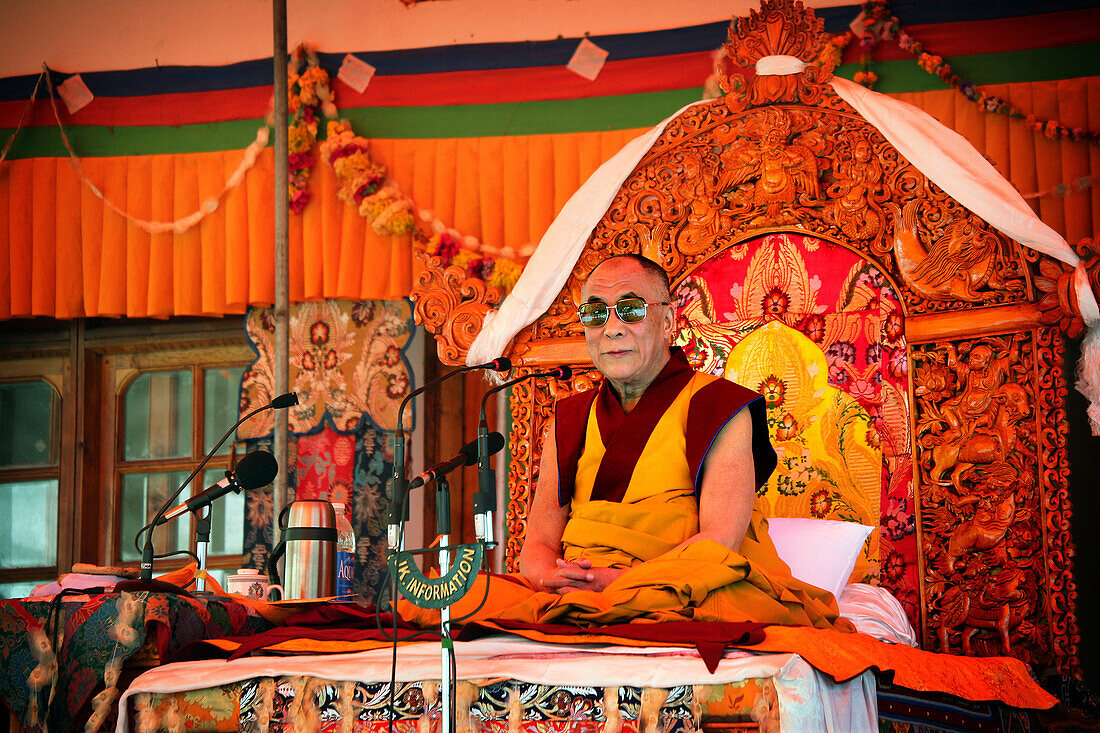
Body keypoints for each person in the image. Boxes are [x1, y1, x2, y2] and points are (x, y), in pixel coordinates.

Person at [401, 254, 846, 630]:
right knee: (448, 597)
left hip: (675, 590)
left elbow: (718, 541)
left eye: (629, 309)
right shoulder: (571, 417)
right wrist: (550, 579)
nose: (611, 328)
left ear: (668, 319)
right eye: (595, 313)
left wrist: (623, 583)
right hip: (583, 590)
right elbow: (536, 544)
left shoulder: (721, 406)